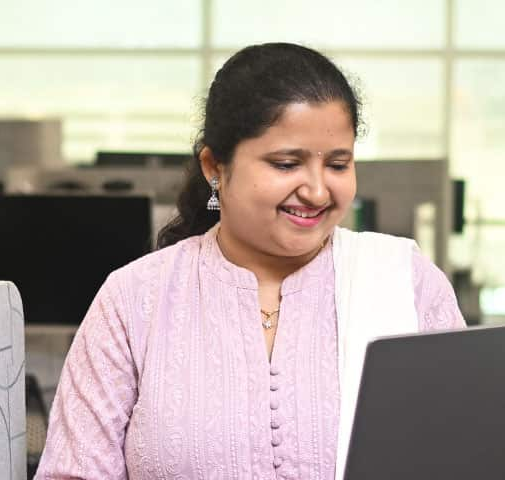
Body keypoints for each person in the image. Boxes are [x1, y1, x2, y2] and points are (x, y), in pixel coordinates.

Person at [35, 42, 465, 479]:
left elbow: (467, 453)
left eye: (338, 165)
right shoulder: (135, 300)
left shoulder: (405, 283)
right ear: (214, 166)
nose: (317, 191)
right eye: (285, 164)